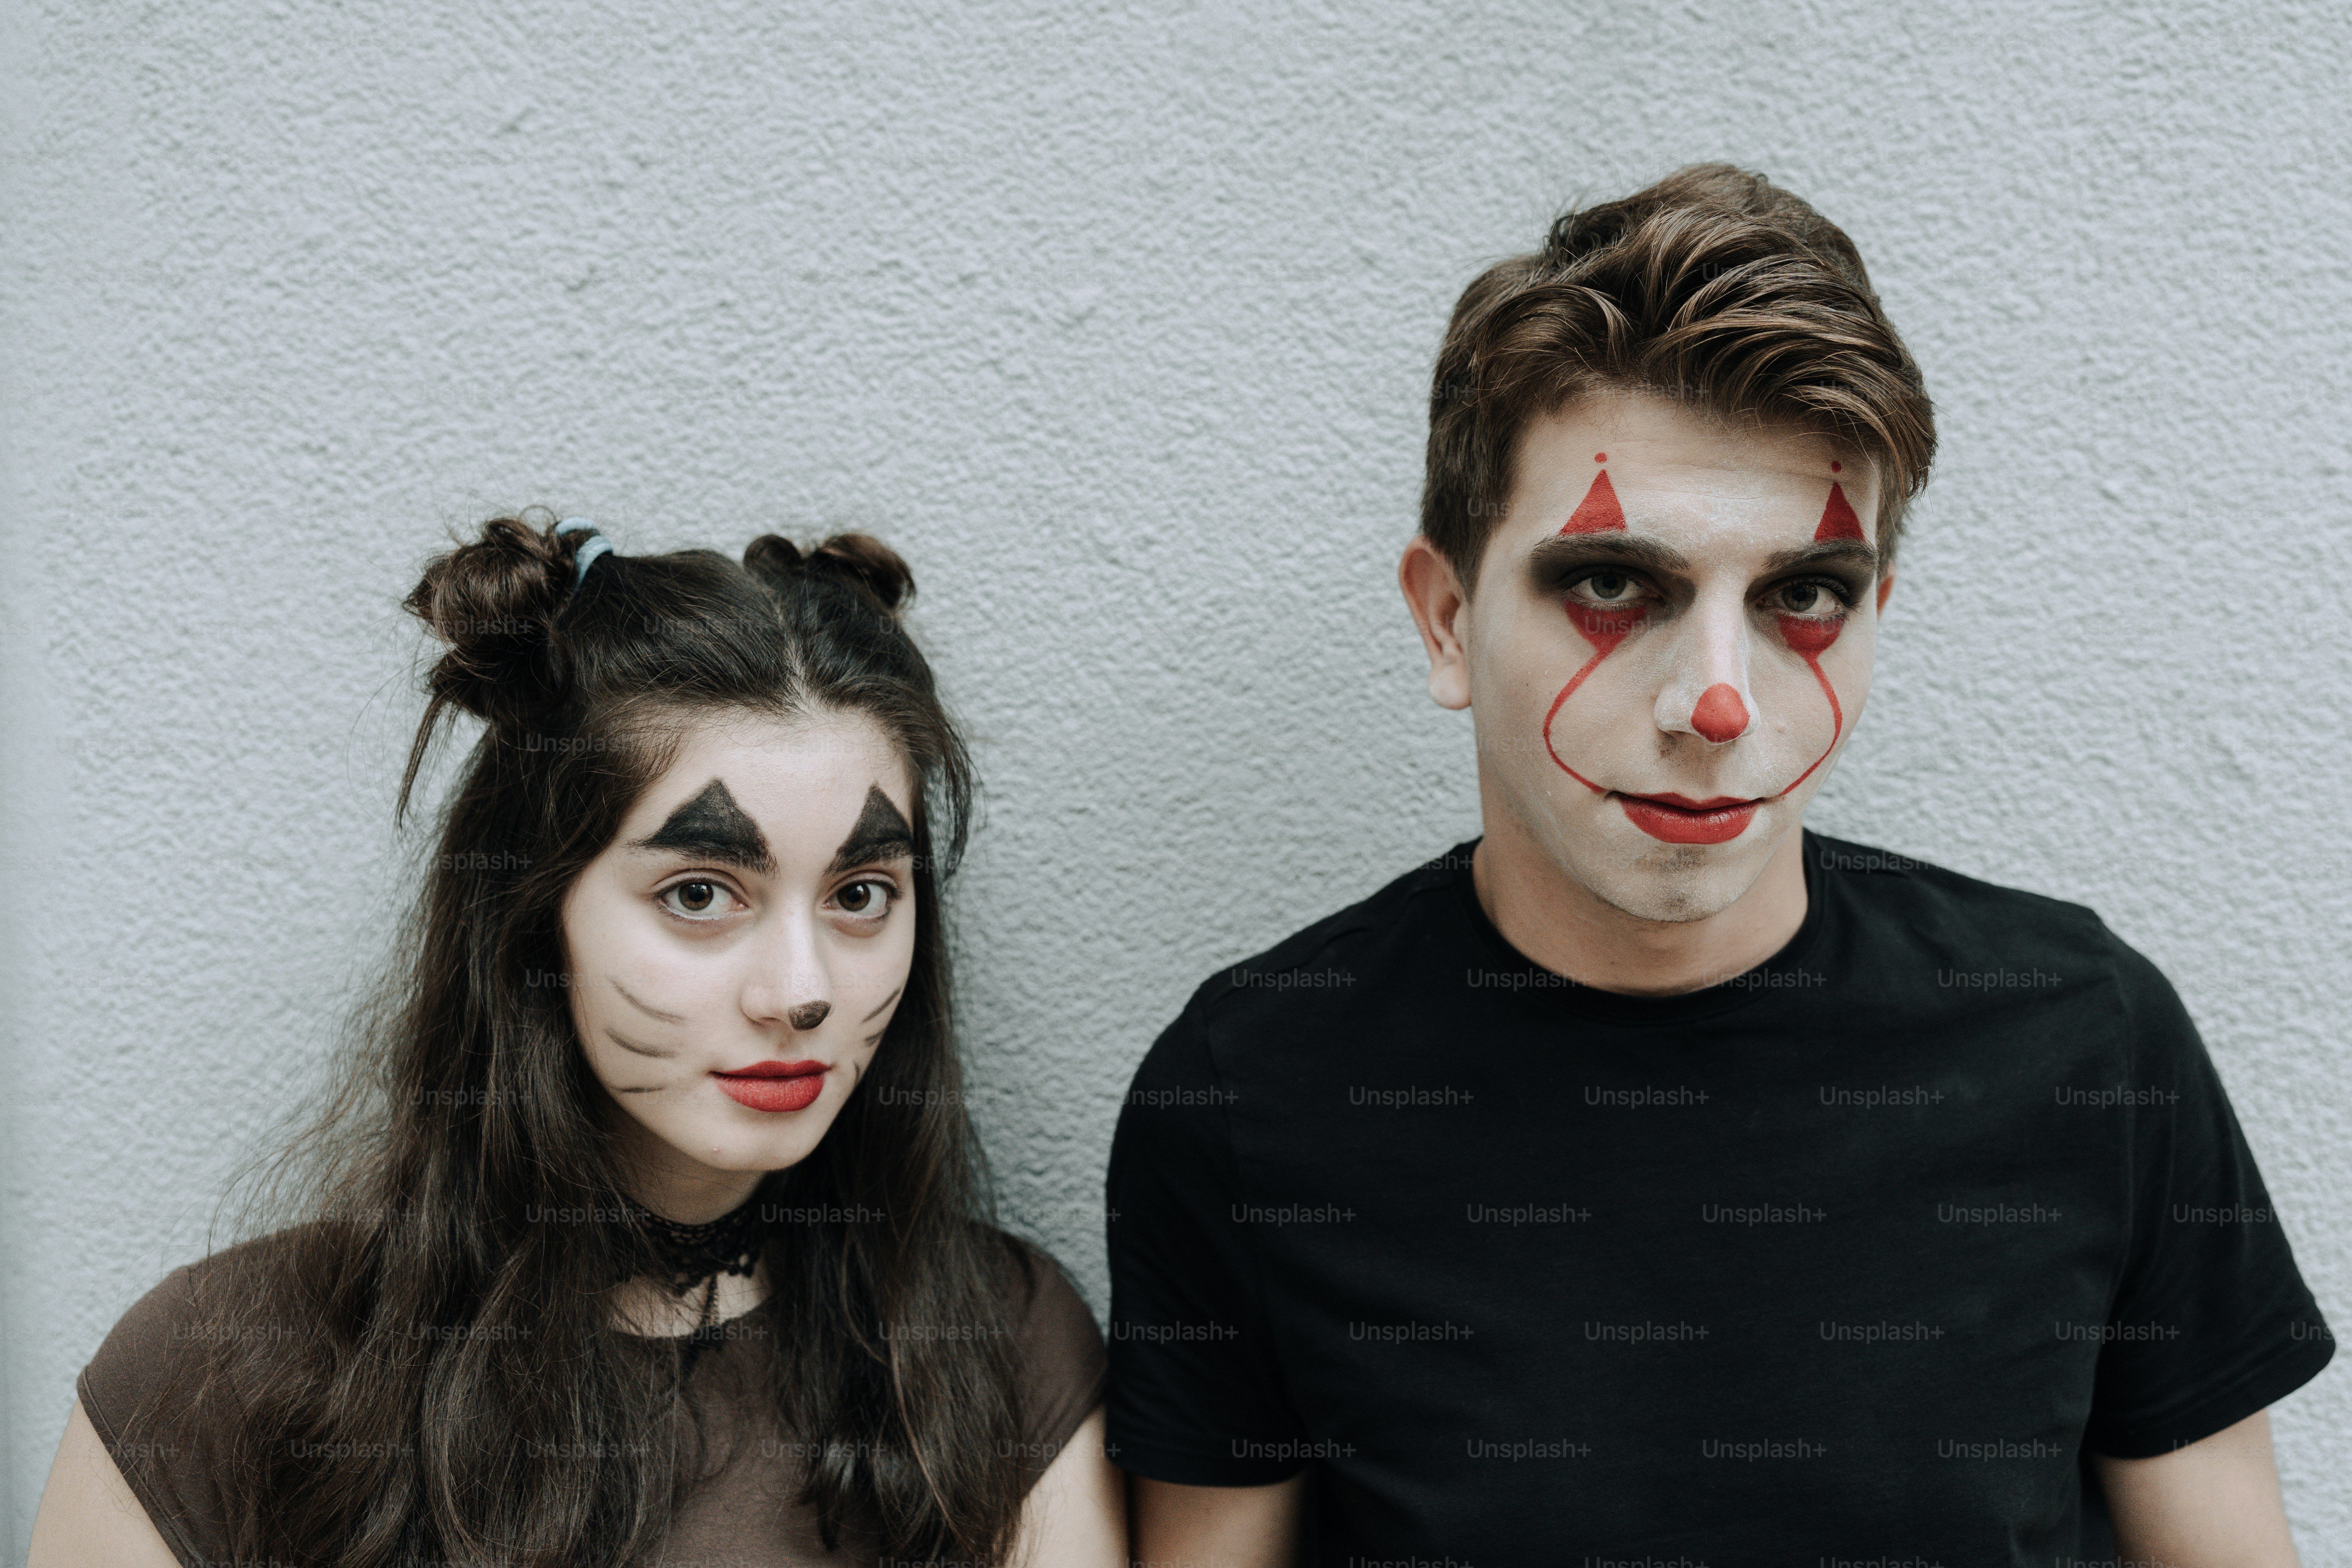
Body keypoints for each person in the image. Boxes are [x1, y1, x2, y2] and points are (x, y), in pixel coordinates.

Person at [1104, 165, 2334, 1566]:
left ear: (1875, 607)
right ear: (1446, 619)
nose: (1717, 701)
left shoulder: (2086, 1038)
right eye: (1615, 583)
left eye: (1801, 595)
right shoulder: (1252, 1094)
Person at [30, 515, 1124, 1566]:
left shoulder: (1004, 1346)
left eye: (862, 891)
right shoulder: (221, 1368)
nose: (801, 991)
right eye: (701, 892)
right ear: (529, 913)